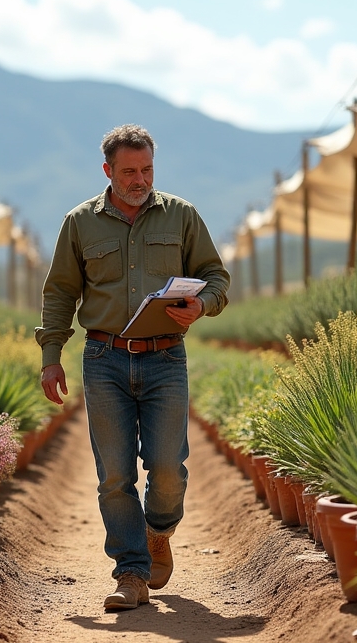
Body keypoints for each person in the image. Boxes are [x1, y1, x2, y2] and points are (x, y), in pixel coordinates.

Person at [36, 124, 230, 611]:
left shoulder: (182, 216)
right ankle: (130, 572)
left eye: (146, 170)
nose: (139, 179)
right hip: (103, 360)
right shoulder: (79, 223)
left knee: (168, 470)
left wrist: (202, 305)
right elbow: (59, 292)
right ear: (107, 171)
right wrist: (51, 357)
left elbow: (216, 277)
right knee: (114, 476)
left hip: (166, 358)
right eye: (129, 171)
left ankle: (158, 531)